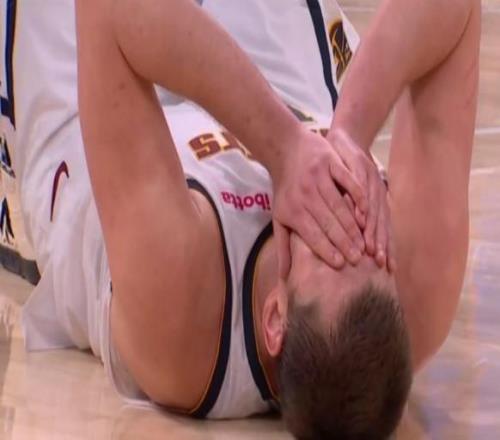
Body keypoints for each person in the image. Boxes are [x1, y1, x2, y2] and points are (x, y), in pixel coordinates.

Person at [10, 0, 480, 439]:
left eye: (335, 247)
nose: (348, 208)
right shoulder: (409, 299)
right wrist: (350, 134)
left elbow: (110, 12)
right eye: (372, 243)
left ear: (275, 316)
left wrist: (285, 148)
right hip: (281, 98)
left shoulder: (181, 320)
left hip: (98, 114)